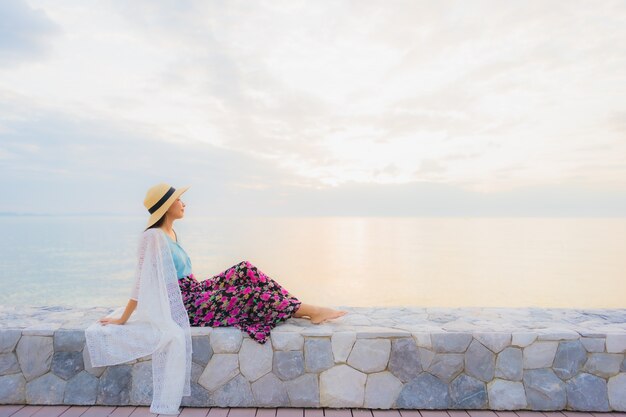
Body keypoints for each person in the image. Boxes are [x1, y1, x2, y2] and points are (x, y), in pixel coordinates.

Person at [99, 182, 348, 343]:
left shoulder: (172, 233)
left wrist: (207, 290)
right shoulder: (152, 237)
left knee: (244, 269)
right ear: (166, 207)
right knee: (248, 294)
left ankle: (295, 305)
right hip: (184, 306)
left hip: (192, 292)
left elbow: (184, 274)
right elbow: (141, 281)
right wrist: (123, 318)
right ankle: (312, 311)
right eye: (178, 200)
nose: (183, 203)